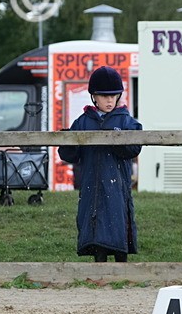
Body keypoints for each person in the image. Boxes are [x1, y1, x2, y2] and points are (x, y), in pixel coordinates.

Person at [57, 66, 142, 263]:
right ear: (94, 96)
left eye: (113, 96)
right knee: (95, 230)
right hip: (91, 187)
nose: (109, 100)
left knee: (118, 224)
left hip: (117, 186)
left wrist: (116, 140)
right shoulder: (83, 122)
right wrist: (66, 140)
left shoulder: (127, 121)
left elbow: (134, 149)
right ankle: (99, 268)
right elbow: (69, 155)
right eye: (104, 96)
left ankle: (122, 268)